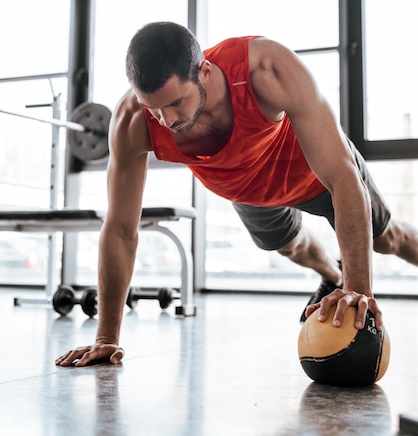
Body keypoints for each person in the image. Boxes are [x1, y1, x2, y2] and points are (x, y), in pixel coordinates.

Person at [56, 22, 418, 367]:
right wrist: (106, 337)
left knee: (387, 240)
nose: (166, 121)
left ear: (205, 72)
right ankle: (330, 275)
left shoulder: (264, 68)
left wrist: (359, 289)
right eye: (155, 108)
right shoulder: (132, 120)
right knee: (291, 246)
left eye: (176, 103)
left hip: (313, 175)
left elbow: (341, 176)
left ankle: (347, 278)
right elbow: (121, 228)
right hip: (248, 191)